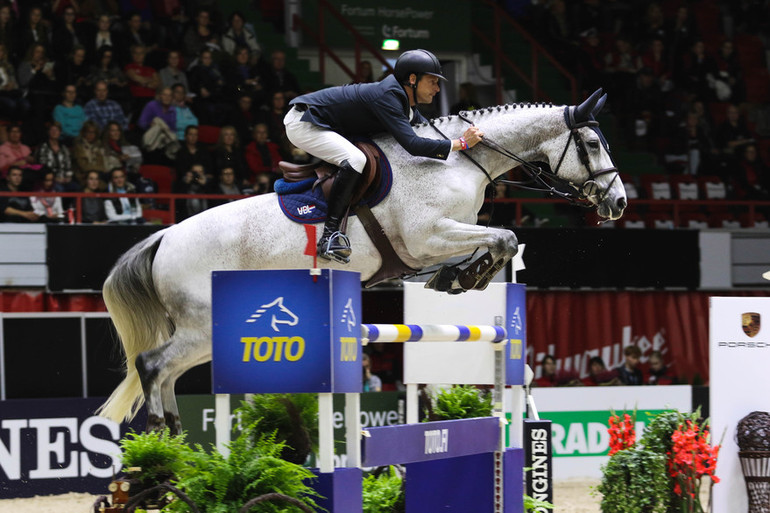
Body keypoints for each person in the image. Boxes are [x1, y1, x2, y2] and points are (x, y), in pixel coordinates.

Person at [284, 49, 484, 263]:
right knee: (355, 159)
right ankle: (329, 235)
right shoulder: (387, 97)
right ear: (413, 79)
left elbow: (427, 131)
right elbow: (414, 145)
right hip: (305, 123)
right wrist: (461, 143)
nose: (437, 88)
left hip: (327, 125)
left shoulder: (404, 103)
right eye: (433, 81)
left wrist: (459, 137)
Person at [72, 120, 106, 185]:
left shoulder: (99, 146)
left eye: (93, 133)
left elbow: (102, 166)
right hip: (82, 177)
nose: (91, 135)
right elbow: (83, 166)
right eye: (88, 132)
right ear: (84, 133)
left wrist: (97, 170)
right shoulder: (78, 146)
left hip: (98, 177)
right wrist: (96, 169)